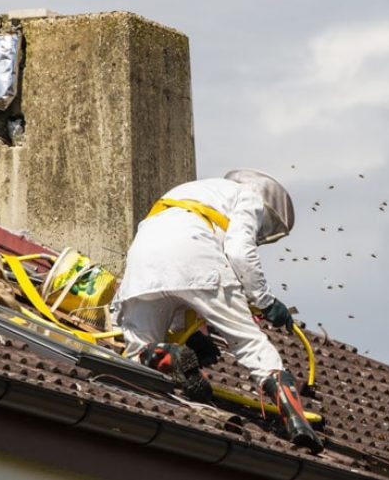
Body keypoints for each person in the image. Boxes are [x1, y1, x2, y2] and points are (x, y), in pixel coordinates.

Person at [112, 169, 323, 453]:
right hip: (196, 254)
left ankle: (170, 355)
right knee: (252, 345)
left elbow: (177, 288)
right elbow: (238, 251)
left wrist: (191, 339)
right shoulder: (248, 198)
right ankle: (298, 424)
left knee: (135, 353)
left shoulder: (192, 190)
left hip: (143, 261)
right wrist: (266, 301)